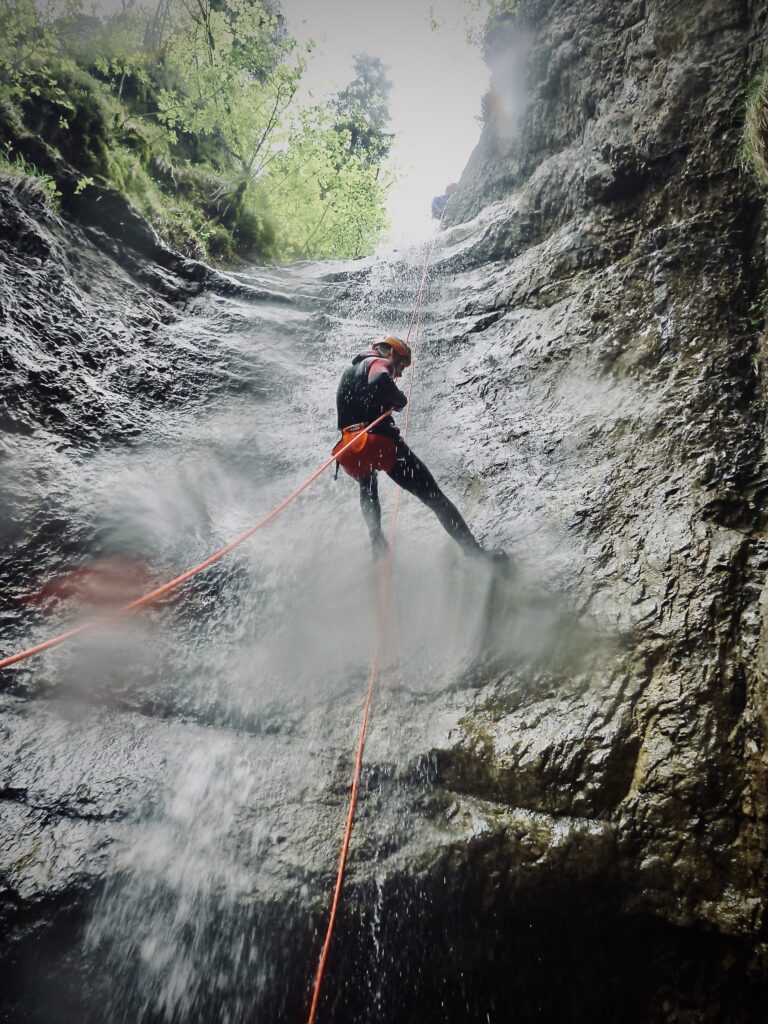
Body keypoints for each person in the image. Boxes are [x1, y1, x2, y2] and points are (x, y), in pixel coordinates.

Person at [334, 336, 502, 562]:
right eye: (402, 364)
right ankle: (476, 554)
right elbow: (379, 381)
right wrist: (399, 399)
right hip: (377, 443)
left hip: (349, 450)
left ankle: (376, 540)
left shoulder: (348, 373)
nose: (400, 373)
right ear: (391, 352)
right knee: (435, 498)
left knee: (367, 485)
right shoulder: (378, 362)